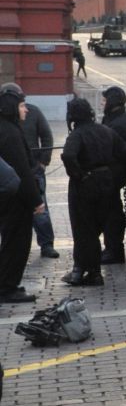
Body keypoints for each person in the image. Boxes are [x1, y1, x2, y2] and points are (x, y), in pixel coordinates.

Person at [61, 99, 126, 287]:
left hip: (85, 184)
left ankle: (88, 272)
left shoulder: (77, 134)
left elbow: (68, 155)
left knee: (84, 228)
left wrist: (78, 175)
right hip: (106, 182)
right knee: (97, 225)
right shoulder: (106, 131)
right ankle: (90, 270)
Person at [0, 84, 58, 259]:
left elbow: (46, 135)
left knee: (40, 208)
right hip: (10, 174)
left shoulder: (33, 112)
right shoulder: (6, 123)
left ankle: (46, 244)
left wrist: (43, 162)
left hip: (32, 168)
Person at [0, 90, 43, 302]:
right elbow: (22, 170)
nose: (25, 109)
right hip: (16, 198)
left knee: (10, 240)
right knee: (16, 242)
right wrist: (36, 200)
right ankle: (7, 287)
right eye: (22, 106)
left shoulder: (6, 128)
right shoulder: (9, 132)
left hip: (8, 195)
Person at [99, 84, 126, 265]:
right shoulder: (113, 119)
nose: (101, 104)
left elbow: (114, 150)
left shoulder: (119, 124)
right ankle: (111, 248)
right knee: (108, 212)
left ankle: (114, 250)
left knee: (112, 214)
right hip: (110, 172)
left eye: (104, 100)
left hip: (113, 173)